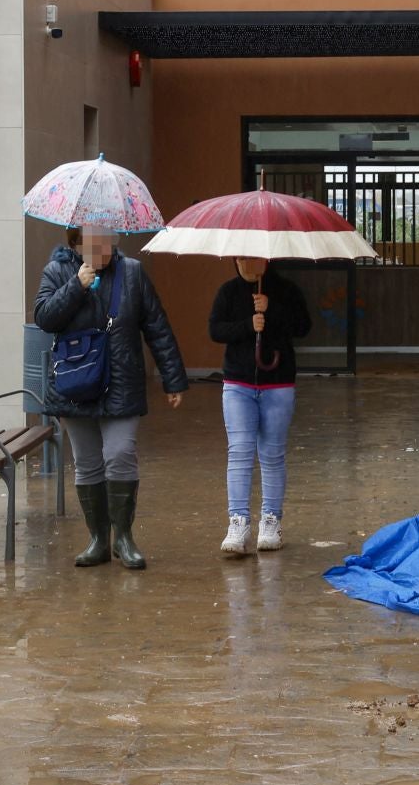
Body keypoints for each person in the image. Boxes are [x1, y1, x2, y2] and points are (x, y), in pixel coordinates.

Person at [35, 226, 189, 571]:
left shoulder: (132, 272)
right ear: (74, 244)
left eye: (106, 240)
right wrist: (76, 286)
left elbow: (157, 326)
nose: (102, 248)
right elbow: (44, 318)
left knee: (120, 454)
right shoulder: (58, 271)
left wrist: (172, 378)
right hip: (76, 385)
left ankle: (123, 537)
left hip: (121, 380)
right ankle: (97, 540)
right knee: (88, 463)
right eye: (92, 243)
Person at [209, 258, 312, 557]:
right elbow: (215, 330)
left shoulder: (287, 290)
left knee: (272, 452)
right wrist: (247, 324)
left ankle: (271, 520)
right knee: (239, 450)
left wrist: (272, 311)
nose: (249, 263)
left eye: (255, 257)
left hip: (277, 383)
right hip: (238, 383)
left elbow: (303, 326)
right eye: (243, 257)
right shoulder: (228, 292)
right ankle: (238, 522)